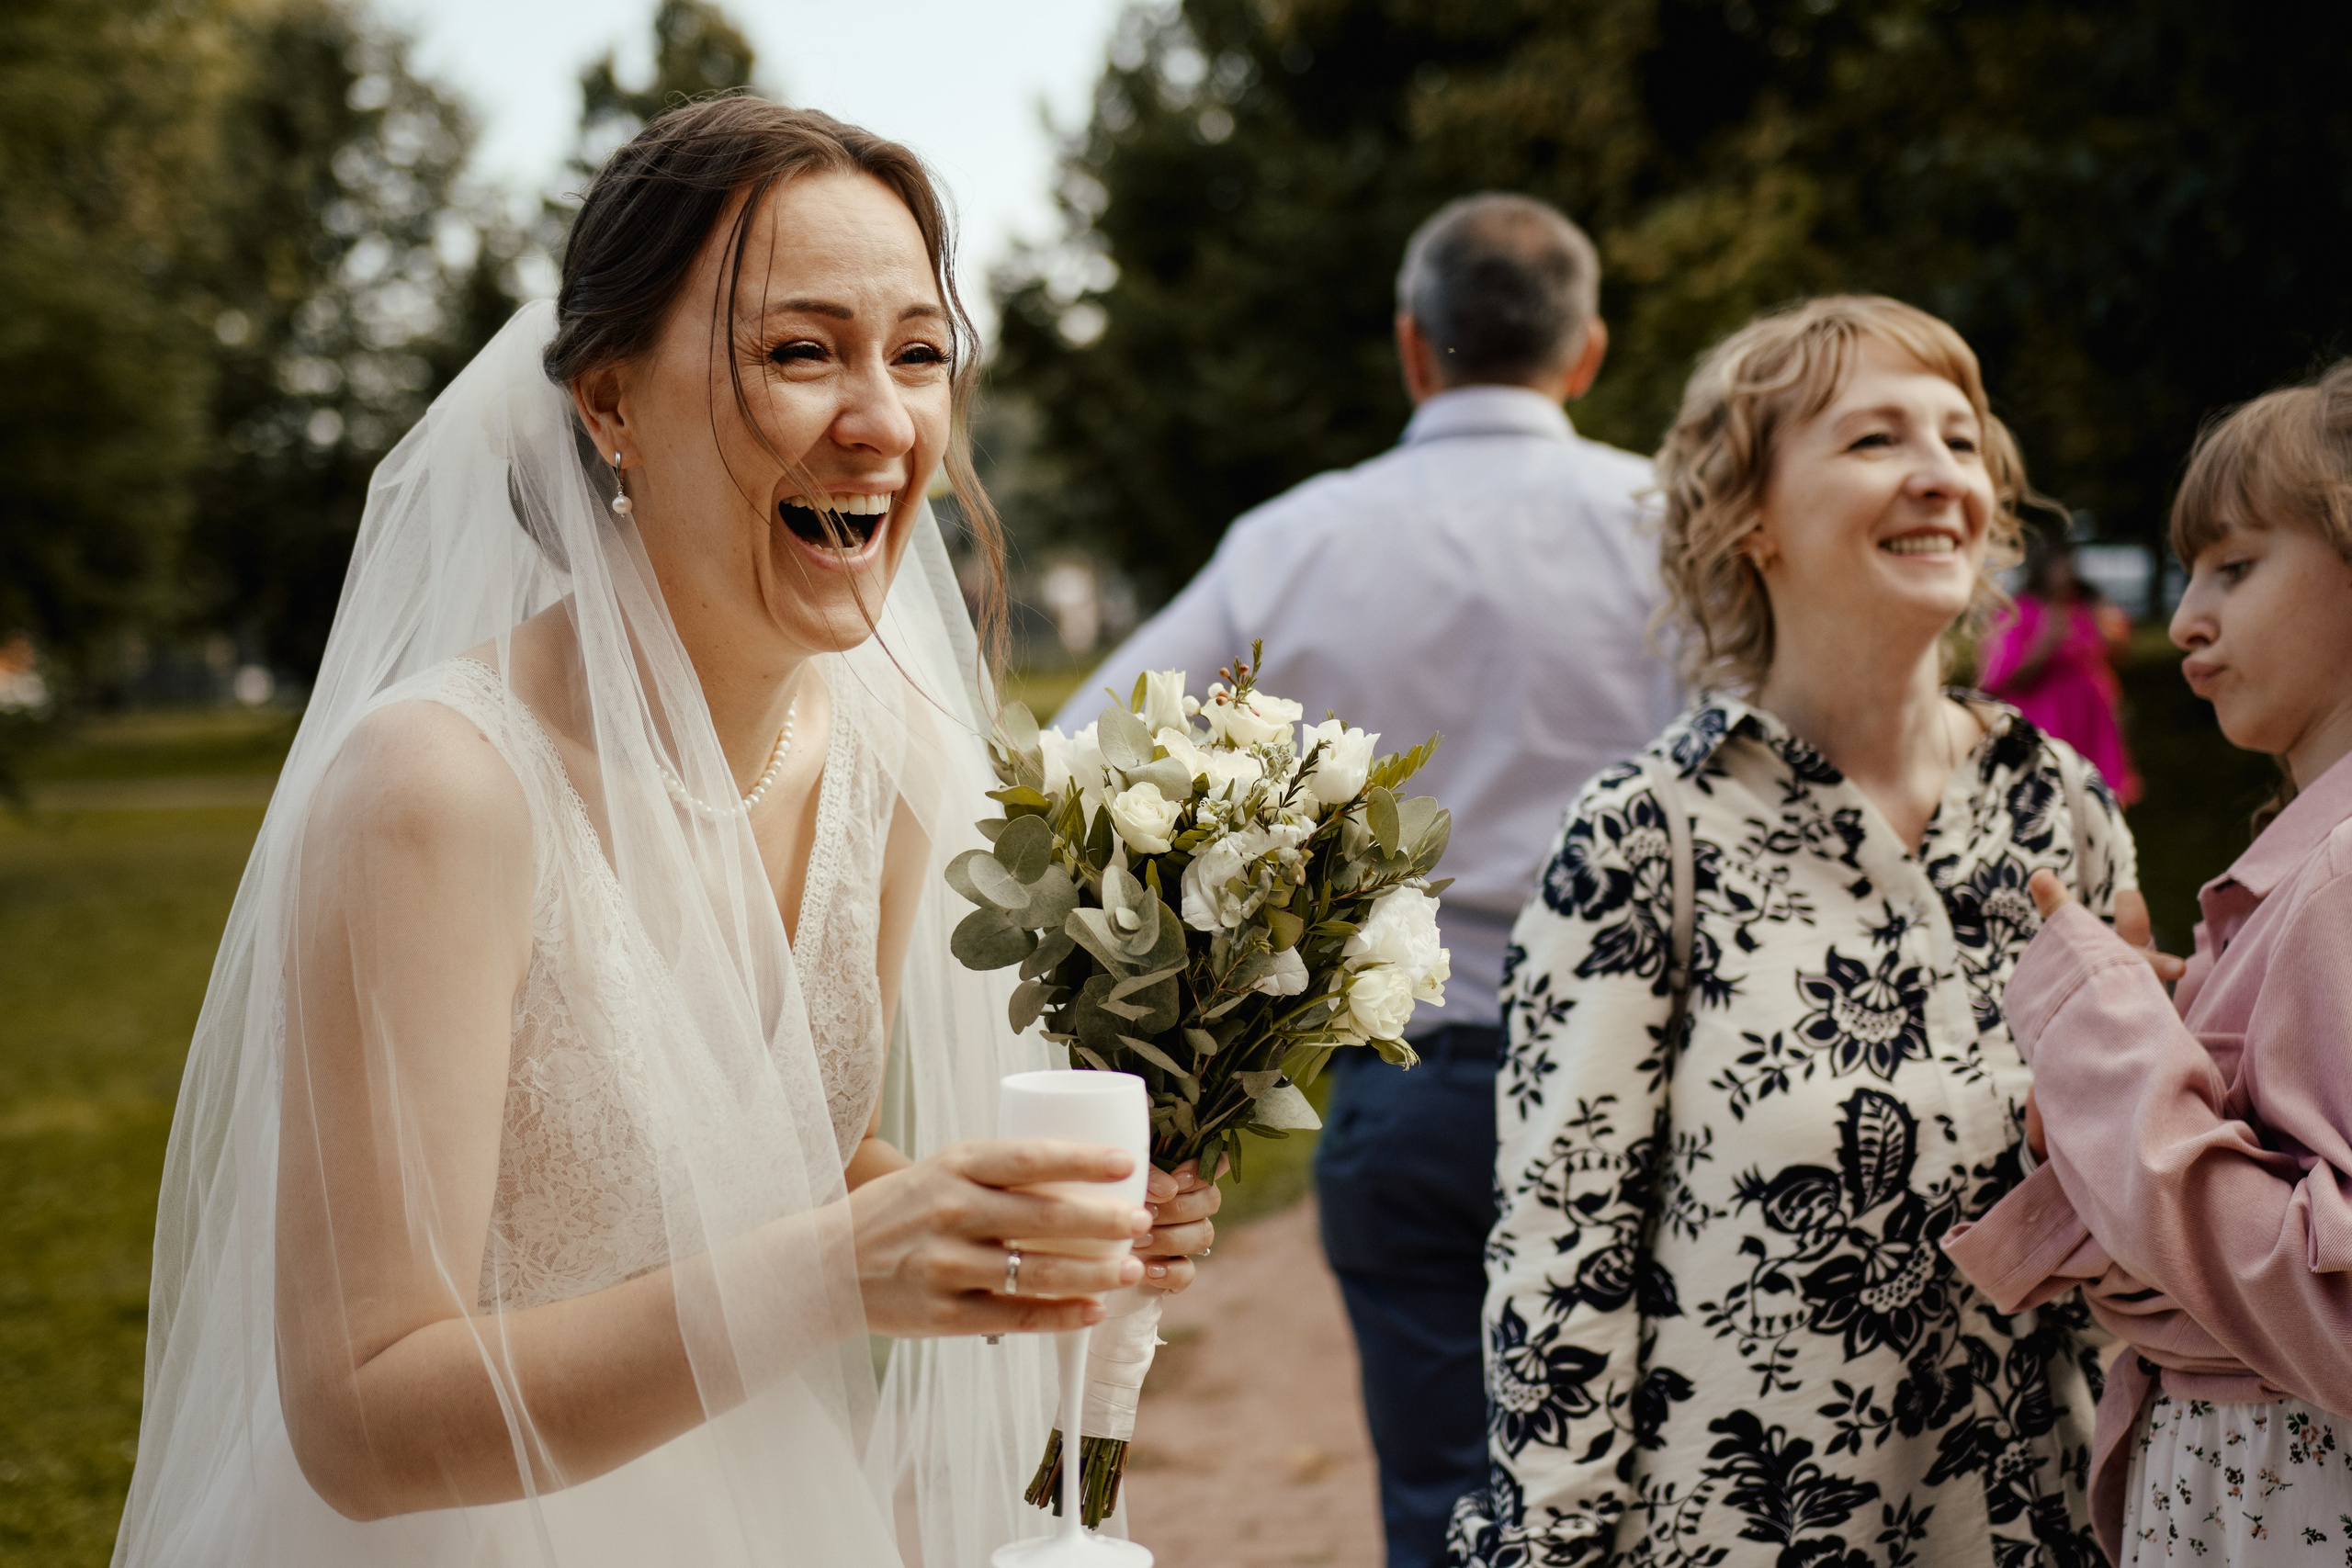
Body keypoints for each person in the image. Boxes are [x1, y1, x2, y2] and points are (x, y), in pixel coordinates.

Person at [109, 99, 1216, 1568]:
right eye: (799, 351)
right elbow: (360, 1417)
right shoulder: (437, 790)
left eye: (919, 352)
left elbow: (784, 1163)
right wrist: (842, 1265)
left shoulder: (886, 756)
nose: (882, 420)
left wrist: (1010, 1223)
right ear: (611, 402)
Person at [1453, 296, 2149, 1568]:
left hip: (2038, 1523)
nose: (1942, 475)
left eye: (1961, 438)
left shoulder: (2065, 807)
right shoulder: (1646, 833)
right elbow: (1560, 1247)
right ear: (1750, 514)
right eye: (1876, 439)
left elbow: (2140, 1189)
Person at [1057, 193, 1679, 1568]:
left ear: (1413, 346)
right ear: (1587, 353)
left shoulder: (1298, 537)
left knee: (1444, 1500)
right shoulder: (1674, 528)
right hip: (1656, 1085)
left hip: (1408, 1080)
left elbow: (1086, 756)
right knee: (1659, 1490)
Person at [1944, 362, 2352, 1564]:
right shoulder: (2294, 875)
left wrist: (2112, 1051)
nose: (2185, 620)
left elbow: (2329, 1308)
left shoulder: (2339, 877)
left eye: (2235, 564)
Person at [1978, 531, 2144, 805]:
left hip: (2092, 718)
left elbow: (2119, 652)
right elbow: (1997, 677)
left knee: (2098, 797)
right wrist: (2044, 643)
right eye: (2058, 564)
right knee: (2049, 798)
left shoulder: (2086, 606)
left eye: (2069, 563)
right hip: (2048, 720)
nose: (2065, 572)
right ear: (2042, 567)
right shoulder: (2018, 610)